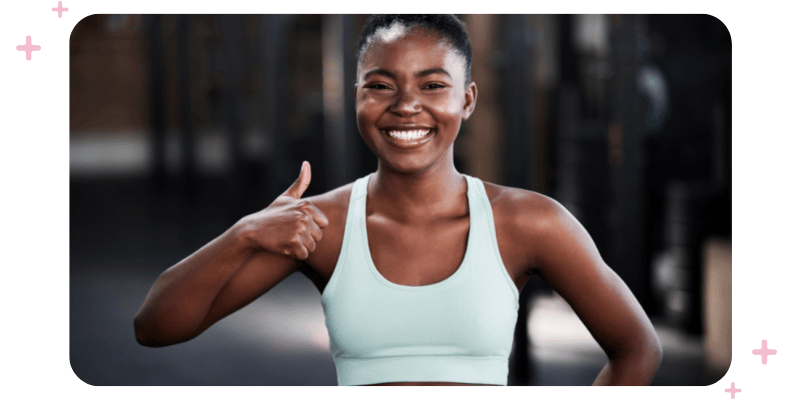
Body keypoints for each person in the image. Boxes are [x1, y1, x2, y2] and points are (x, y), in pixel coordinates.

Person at [134, 14, 662, 386]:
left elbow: (637, 348)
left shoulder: (529, 222)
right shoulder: (322, 225)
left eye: (432, 85)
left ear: (467, 99)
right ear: (356, 96)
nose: (407, 106)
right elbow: (155, 328)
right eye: (381, 86)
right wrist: (243, 232)